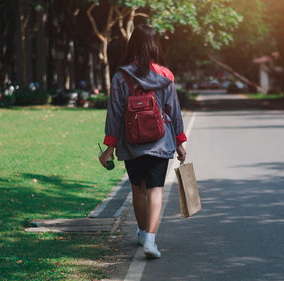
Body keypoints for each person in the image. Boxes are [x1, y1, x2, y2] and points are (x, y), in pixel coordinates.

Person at [98, 24, 187, 259]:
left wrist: (109, 147)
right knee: (155, 190)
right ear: (154, 45)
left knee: (138, 189)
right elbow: (174, 110)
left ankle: (142, 232)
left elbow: (115, 112)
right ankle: (150, 240)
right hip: (161, 141)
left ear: (132, 45)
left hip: (131, 142)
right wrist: (179, 142)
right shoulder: (164, 75)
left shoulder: (121, 76)